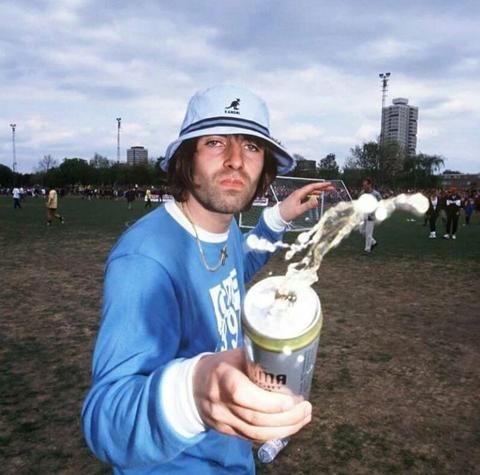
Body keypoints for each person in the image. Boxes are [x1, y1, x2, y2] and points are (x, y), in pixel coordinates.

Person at [81, 84, 333, 474]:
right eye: (216, 142)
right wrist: (196, 393)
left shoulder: (224, 226)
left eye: (251, 146)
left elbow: (235, 269)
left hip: (231, 456)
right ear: (187, 160)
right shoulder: (146, 259)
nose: (236, 160)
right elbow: (105, 421)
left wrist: (279, 217)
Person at [359, 178, 382, 252]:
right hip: (364, 213)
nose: (364, 187)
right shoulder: (362, 193)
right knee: (362, 231)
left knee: (369, 232)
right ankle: (373, 242)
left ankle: (367, 249)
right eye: (363, 185)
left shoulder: (376, 194)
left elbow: (380, 203)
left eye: (365, 185)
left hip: (371, 214)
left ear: (370, 184)